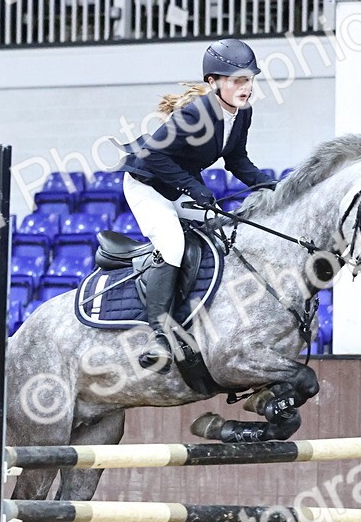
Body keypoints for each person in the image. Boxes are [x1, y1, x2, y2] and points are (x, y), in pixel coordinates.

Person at [118, 38, 278, 372]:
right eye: (237, 80)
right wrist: (193, 187)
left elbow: (236, 159)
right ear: (213, 82)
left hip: (177, 183)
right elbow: (153, 155)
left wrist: (272, 186)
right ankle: (158, 337)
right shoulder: (195, 113)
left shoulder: (242, 113)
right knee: (173, 244)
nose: (245, 87)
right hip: (146, 185)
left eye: (248, 79)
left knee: (223, 235)